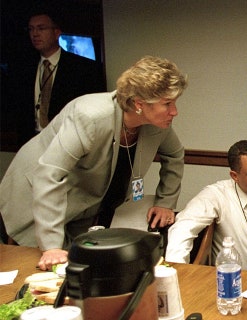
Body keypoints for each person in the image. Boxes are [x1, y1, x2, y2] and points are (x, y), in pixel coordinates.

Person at [0, 55, 187, 271]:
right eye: (167, 103)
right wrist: (51, 246)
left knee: (79, 269)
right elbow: (50, 174)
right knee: (37, 270)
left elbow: (175, 155)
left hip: (81, 204)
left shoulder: (156, 124)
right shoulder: (90, 116)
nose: (175, 111)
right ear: (139, 103)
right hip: (36, 196)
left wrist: (166, 202)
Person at [165, 140, 247, 269]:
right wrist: (178, 274)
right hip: (233, 279)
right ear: (235, 176)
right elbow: (182, 229)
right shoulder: (217, 195)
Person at [9, 6, 106, 147]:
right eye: (31, 29)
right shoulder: (23, 68)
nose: (35, 34)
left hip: (69, 144)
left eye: (41, 28)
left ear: (56, 32)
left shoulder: (83, 68)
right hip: (31, 143)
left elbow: (95, 111)